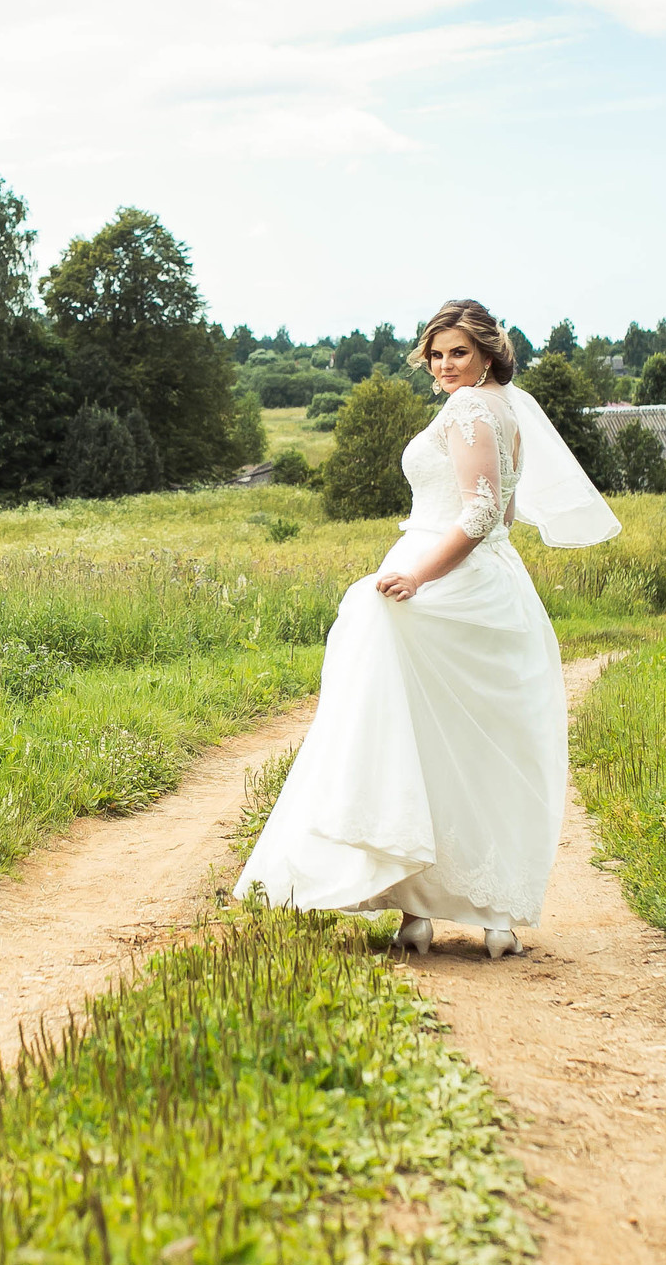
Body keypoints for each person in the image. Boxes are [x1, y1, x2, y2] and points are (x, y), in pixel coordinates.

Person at [235, 298, 620, 959]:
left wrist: (420, 578)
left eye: (458, 353)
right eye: (437, 354)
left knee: (408, 736)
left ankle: (416, 907)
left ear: (488, 352)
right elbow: (499, 512)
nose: (445, 365)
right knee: (469, 751)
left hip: (449, 583)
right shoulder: (504, 405)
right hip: (495, 585)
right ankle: (487, 913)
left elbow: (477, 513)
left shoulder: (472, 408)